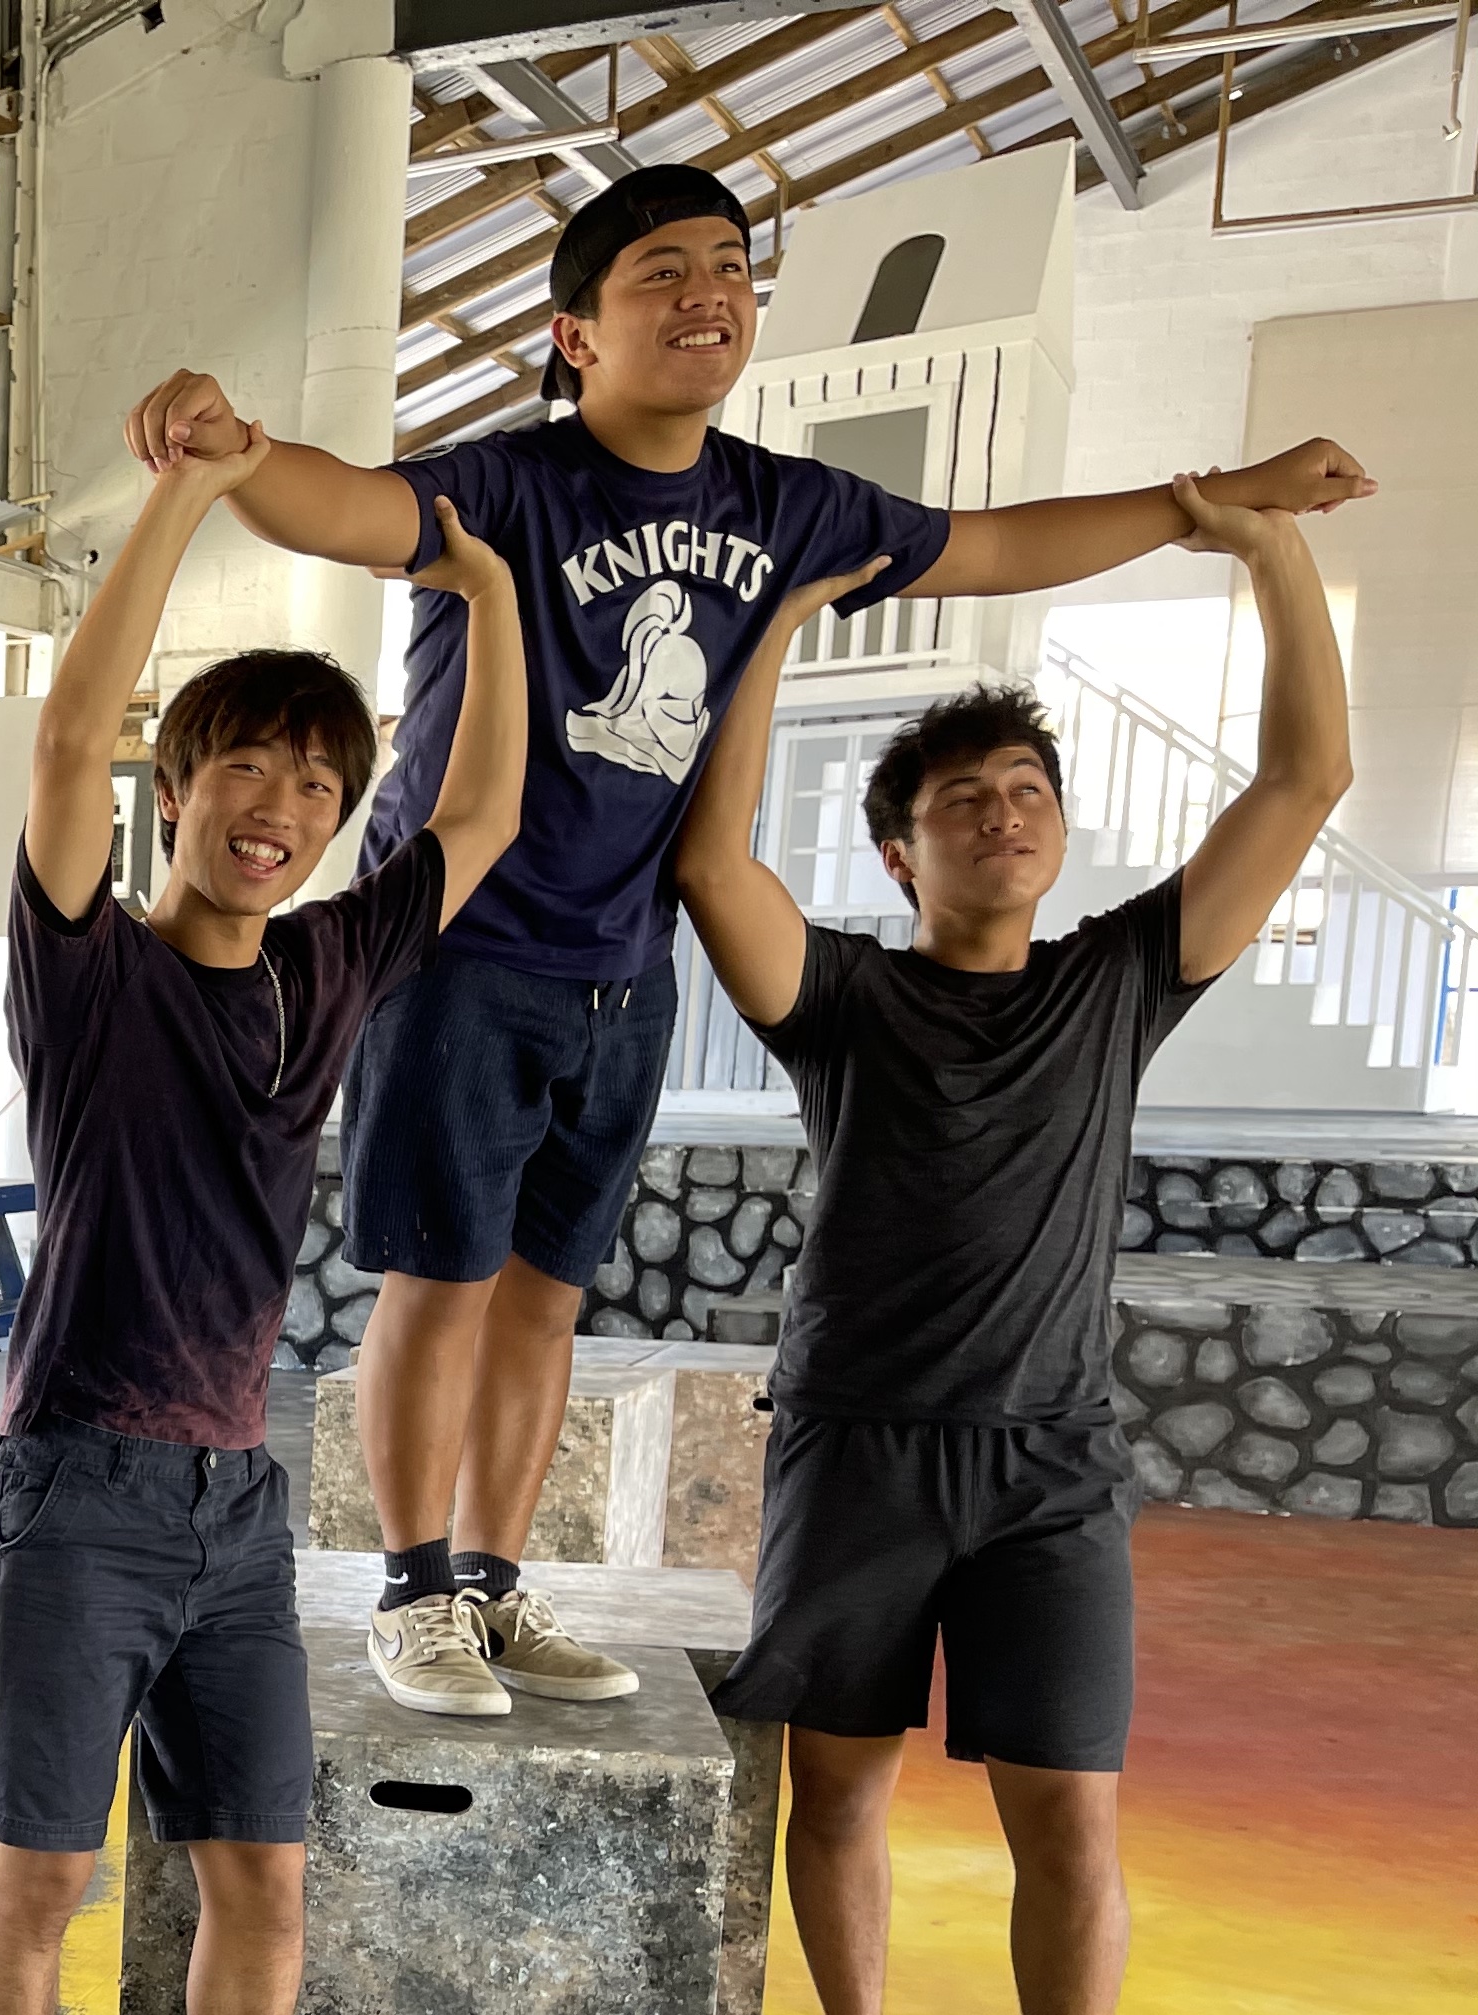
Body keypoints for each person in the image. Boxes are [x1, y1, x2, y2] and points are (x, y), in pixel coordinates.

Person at [128, 163, 1374, 1724]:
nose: (708, 290)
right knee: (438, 1290)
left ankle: (499, 1590)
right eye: (661, 271)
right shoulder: (506, 486)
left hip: (624, 970)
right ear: (577, 331)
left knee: (544, 1299)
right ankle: (413, 1588)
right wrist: (239, 454)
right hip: (461, 950)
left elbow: (998, 544)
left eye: (729, 264)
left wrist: (1213, 504)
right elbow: (343, 501)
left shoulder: (787, 508)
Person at [668, 481, 1346, 2015]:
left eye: (1023, 796)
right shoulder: (843, 998)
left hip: (1048, 1461)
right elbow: (713, 863)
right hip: (853, 1440)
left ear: (1058, 837)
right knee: (837, 1785)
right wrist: (776, 630)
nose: (997, 815)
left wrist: (1267, 550)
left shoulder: (1121, 981)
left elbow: (1299, 784)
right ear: (899, 852)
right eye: (956, 802)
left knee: (1068, 1807)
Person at [0, 408, 525, 2015]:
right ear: (175, 791)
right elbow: (62, 740)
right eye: (240, 771)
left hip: (233, 1505)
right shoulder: (87, 971)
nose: (273, 804)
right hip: (81, 1485)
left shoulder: (328, 974)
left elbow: (486, 821)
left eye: (310, 781)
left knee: (266, 1887)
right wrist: (184, 498)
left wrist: (493, 592)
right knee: (44, 1870)